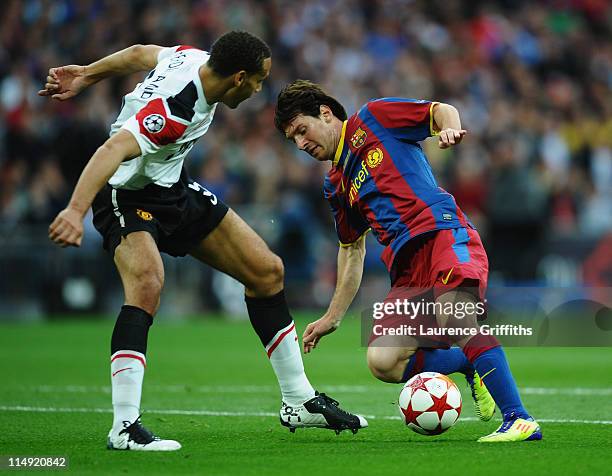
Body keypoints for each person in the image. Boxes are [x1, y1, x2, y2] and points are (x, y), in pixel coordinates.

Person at [39, 32, 367, 452]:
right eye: (258, 81)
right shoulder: (175, 110)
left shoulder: (193, 58)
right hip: (125, 193)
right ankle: (124, 426)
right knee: (146, 285)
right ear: (239, 78)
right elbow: (111, 150)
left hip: (171, 187)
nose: (259, 90)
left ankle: (299, 400)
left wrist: (87, 73)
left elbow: (141, 53)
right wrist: (74, 210)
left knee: (266, 271)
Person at [274, 80, 542, 443]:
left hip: (441, 233)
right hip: (406, 266)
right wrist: (331, 316)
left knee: (456, 313)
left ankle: (519, 419)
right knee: (383, 361)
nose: (301, 144)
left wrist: (448, 127)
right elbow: (351, 250)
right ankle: (468, 364)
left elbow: (438, 110)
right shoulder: (336, 185)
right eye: (293, 140)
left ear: (325, 113)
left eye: (302, 131)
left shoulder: (373, 118)